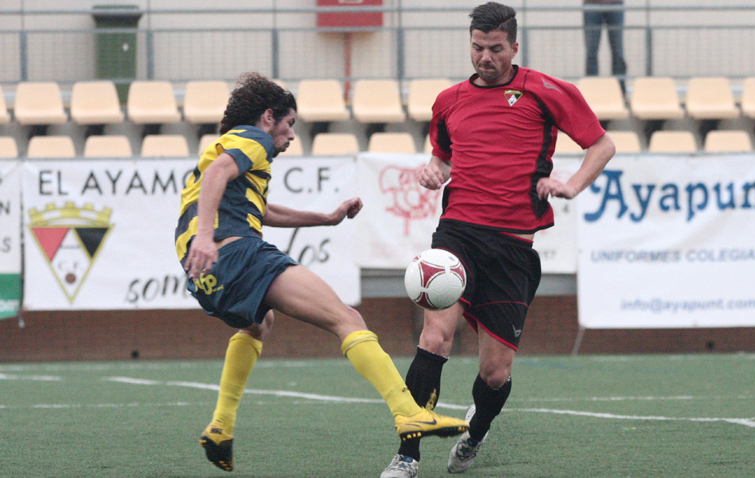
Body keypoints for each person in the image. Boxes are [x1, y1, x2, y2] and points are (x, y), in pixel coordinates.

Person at [175, 72, 469, 473]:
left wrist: (326, 219)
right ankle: (409, 412)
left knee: (258, 325)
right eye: (290, 124)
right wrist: (206, 237)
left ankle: (221, 426)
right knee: (346, 318)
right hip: (232, 253)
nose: (291, 136)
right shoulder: (253, 137)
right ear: (268, 117)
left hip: (205, 277)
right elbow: (216, 177)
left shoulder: (227, 153)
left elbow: (260, 210)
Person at [380, 3, 615, 477]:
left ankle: (477, 431)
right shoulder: (448, 101)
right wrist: (433, 171)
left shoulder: (546, 91)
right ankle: (407, 455)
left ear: (514, 47)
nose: (485, 57)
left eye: (495, 49)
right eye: (477, 47)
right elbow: (442, 159)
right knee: (435, 337)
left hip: (512, 245)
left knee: (495, 373)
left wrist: (571, 185)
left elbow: (602, 145)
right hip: (457, 234)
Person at [583, 0, 627, 90]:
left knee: (617, 50)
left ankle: (620, 91)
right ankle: (590, 90)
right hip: (591, 4)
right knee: (591, 51)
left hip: (615, 3)